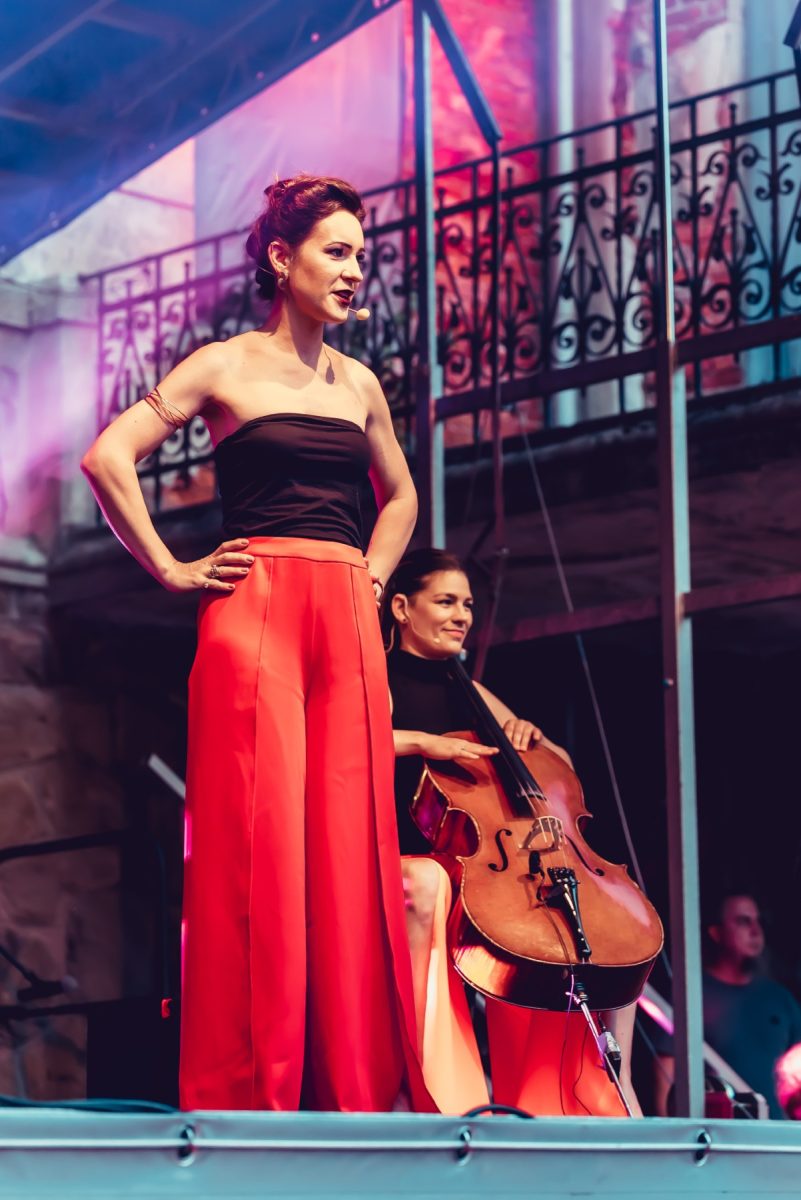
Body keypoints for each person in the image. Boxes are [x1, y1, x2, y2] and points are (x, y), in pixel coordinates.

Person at [81, 174, 433, 1113]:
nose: (354, 271)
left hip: (346, 616)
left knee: (352, 848)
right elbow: (108, 457)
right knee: (258, 847)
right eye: (336, 251)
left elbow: (400, 496)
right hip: (256, 607)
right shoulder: (223, 364)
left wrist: (371, 577)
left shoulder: (359, 383)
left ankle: (354, 1095)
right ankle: (247, 1096)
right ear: (282, 258)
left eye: (361, 255)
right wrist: (169, 568)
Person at [383, 547, 641, 1116]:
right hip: (408, 853)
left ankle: (561, 1101)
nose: (462, 616)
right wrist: (422, 742)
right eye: (445, 602)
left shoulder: (469, 689)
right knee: (434, 886)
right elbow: (341, 737)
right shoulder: (376, 676)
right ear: (402, 608)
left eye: (467, 605)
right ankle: (449, 1097)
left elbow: (560, 766)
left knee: (551, 920)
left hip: (483, 859)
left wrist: (533, 736)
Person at [654, 891, 801, 1119]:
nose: (755, 930)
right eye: (743, 921)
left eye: (759, 921)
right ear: (716, 933)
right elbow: (666, 1075)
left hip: (777, 1134)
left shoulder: (780, 998)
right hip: (717, 1135)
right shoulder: (691, 994)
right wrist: (669, 1135)